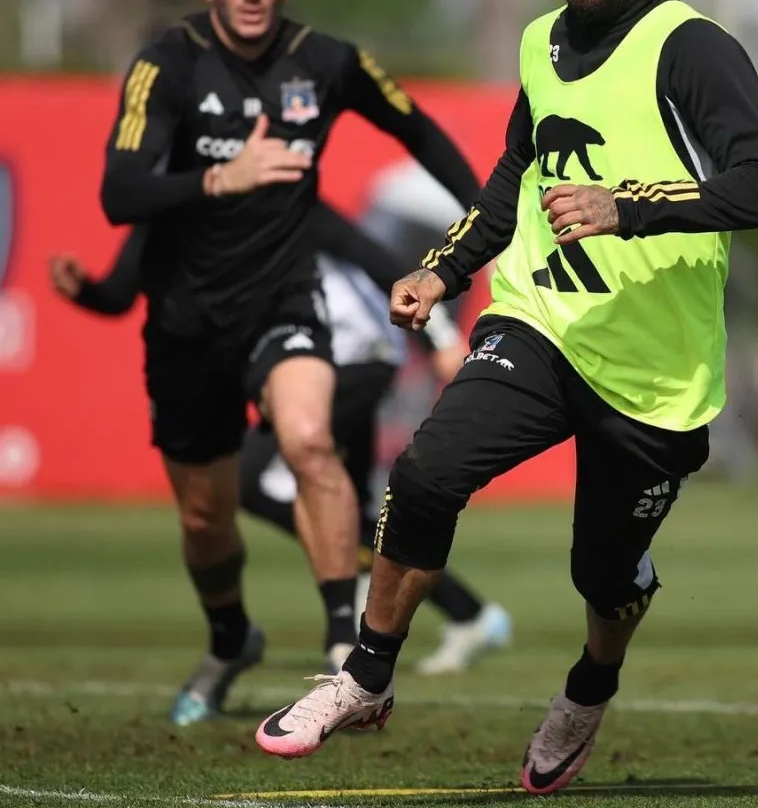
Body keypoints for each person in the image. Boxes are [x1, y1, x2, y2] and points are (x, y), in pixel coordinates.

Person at [256, 0, 758, 788]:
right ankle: (367, 676)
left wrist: (627, 208)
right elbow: (517, 172)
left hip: (657, 376)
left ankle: (591, 684)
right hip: (541, 325)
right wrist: (444, 270)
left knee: (605, 579)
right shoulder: (541, 41)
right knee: (425, 474)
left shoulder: (695, 49)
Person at [96, 0, 480, 724]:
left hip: (284, 298)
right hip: (187, 322)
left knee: (309, 438)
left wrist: (490, 219)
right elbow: (119, 192)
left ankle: (345, 648)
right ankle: (231, 638)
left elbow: (417, 129)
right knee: (206, 515)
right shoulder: (166, 64)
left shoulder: (327, 60)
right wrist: (218, 178)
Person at [50, 204, 512, 677]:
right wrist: (84, 289)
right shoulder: (173, 210)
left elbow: (377, 261)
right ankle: (465, 613)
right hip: (319, 360)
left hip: (353, 356)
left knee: (256, 480)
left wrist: (439, 340)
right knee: (347, 508)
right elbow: (121, 288)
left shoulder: (284, 200)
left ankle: (387, 601)